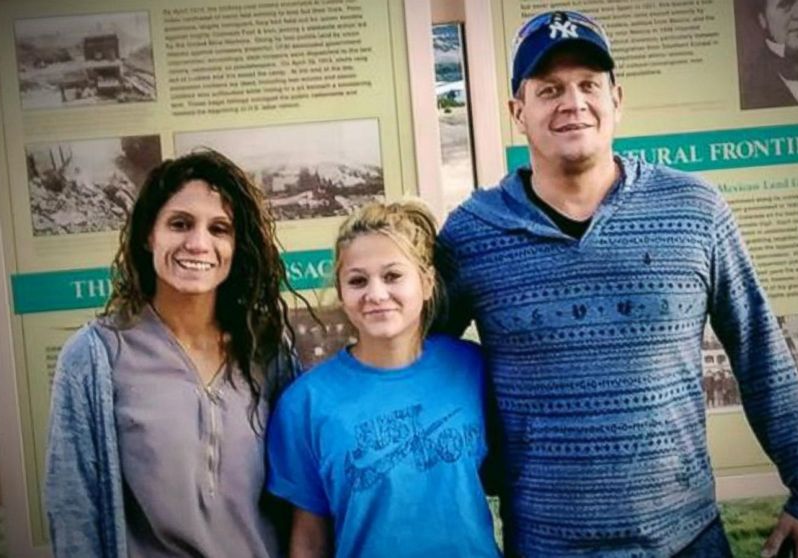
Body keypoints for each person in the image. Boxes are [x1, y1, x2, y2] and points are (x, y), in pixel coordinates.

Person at [436, 10, 798, 558]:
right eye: (549, 88)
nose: (572, 102)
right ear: (518, 112)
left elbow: (758, 350)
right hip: (547, 546)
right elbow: (417, 365)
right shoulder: (472, 232)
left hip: (687, 538)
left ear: (616, 100)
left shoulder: (694, 209)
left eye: (588, 85)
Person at [44, 149, 297, 557]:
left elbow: (301, 504)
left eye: (219, 229)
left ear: (237, 245)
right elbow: (74, 512)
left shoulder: (268, 350)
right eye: (180, 224)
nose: (198, 243)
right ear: (149, 234)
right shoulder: (95, 357)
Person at [266, 200, 500, 557]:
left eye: (392, 276)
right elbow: (310, 537)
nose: (375, 294)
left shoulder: (472, 369)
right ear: (342, 295)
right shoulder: (306, 403)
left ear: (425, 283)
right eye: (358, 281)